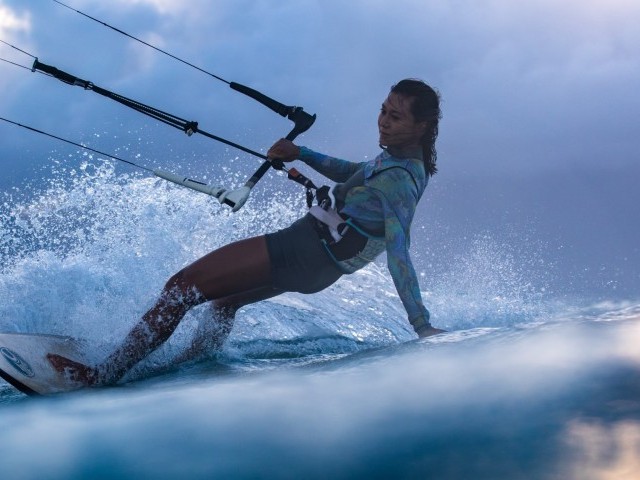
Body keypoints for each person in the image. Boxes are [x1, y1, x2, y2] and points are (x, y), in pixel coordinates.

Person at [48, 78, 444, 386]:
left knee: (180, 288)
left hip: (301, 250)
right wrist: (302, 153)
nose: (383, 121)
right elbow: (354, 173)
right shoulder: (401, 160)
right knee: (224, 303)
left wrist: (421, 325)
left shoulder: (401, 181)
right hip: (318, 268)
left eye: (396, 117)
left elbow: (399, 251)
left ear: (421, 126)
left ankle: (101, 375)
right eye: (383, 110)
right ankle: (189, 367)